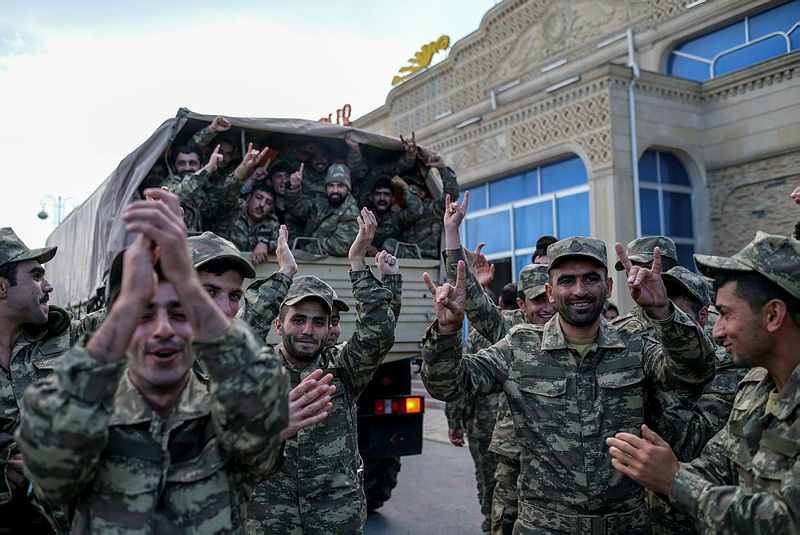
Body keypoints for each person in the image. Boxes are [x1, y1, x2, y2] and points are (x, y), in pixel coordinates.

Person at [422, 195, 715, 533]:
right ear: (549, 291)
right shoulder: (520, 346)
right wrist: (446, 331)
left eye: (590, 279)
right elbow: (449, 385)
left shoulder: (634, 344)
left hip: (625, 526)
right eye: (567, 281)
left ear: (607, 287)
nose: (579, 290)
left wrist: (664, 311)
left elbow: (696, 373)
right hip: (544, 527)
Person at [16, 190, 289, 532]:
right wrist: (129, 300)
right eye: (144, 315)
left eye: (180, 313)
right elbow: (48, 460)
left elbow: (264, 408)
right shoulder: (89, 415)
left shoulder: (224, 414)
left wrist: (190, 285)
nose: (162, 330)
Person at [607, 231, 800, 534]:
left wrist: (674, 481)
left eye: (724, 314)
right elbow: (717, 464)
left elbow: (787, 520)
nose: (718, 332)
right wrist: (656, 468)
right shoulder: (756, 387)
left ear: (773, 314)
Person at [248, 208, 399, 534]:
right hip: (271, 519)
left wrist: (358, 262)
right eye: (298, 319)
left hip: (335, 518)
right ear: (278, 324)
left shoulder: (342, 368)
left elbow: (379, 333)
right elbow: (236, 336)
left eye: (319, 322)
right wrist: (284, 272)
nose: (308, 330)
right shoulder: (258, 367)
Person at [0, 228, 76, 533]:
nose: (49, 286)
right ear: (2, 288)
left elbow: (134, 313)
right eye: (35, 277)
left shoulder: (71, 338)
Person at [284, 163, 359, 257]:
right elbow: (298, 211)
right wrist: (294, 188)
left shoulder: (351, 213)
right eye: (331, 185)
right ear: (326, 188)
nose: (335, 190)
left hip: (330, 267)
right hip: (308, 260)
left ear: (348, 189)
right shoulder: (321, 202)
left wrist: (304, 249)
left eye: (340, 186)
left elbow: (340, 247)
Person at [401, 154, 460, 259]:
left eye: (412, 191)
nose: (409, 195)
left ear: (422, 194)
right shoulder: (401, 213)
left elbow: (451, 194)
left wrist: (442, 168)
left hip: (426, 260)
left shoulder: (433, 209)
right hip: (404, 259)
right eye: (406, 192)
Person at [345, 132, 418, 207]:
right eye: (360, 164)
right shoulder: (345, 178)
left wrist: (410, 154)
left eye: (364, 163)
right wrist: (355, 149)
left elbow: (398, 167)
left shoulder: (376, 172)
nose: (363, 168)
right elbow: (354, 167)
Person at [223, 182, 279, 265]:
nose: (262, 204)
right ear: (249, 198)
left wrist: (266, 245)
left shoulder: (272, 224)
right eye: (259, 198)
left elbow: (281, 244)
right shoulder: (232, 216)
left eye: (268, 202)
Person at [366, 175, 423, 256]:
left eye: (386, 194)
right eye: (378, 194)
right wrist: (365, 247)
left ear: (393, 199)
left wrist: (405, 186)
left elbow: (417, 211)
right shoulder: (364, 216)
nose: (382, 198)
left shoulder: (396, 217)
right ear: (371, 197)